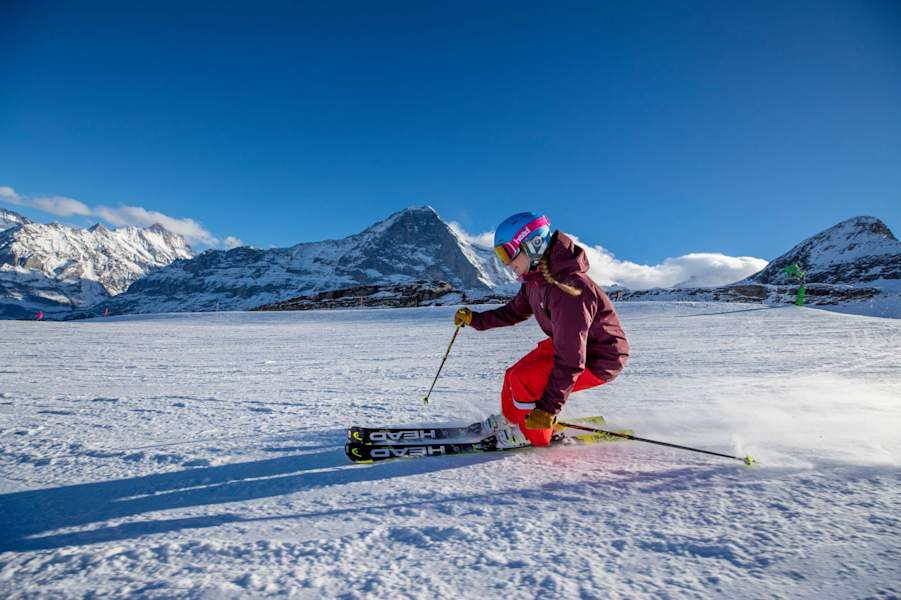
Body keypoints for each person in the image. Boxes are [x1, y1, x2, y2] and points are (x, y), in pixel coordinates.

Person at [454, 212, 629, 449]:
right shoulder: (535, 282)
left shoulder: (570, 288)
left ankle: (533, 433)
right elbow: (512, 312)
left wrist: (548, 409)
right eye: (499, 256)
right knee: (514, 375)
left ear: (534, 244)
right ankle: (512, 419)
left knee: (527, 381)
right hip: (571, 346)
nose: (506, 263)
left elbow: (570, 360)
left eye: (507, 253)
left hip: (599, 358)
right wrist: (475, 319)